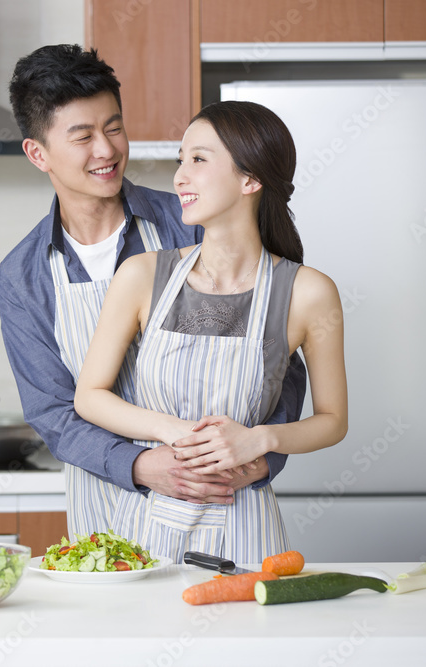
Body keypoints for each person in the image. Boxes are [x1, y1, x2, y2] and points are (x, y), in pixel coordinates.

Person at [0, 45, 307, 540]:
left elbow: (278, 356)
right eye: (82, 137)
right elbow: (52, 411)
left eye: (114, 128)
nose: (107, 150)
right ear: (39, 153)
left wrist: (261, 455)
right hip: (103, 508)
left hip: (219, 499)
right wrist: (141, 465)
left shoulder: (193, 224)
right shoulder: (24, 275)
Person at [74, 100, 348, 562]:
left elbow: (333, 421)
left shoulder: (308, 292)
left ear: (250, 179)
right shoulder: (140, 276)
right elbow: (89, 395)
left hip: (247, 524)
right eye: (181, 160)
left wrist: (260, 440)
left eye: (198, 160)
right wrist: (176, 432)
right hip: (147, 526)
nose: (180, 176)